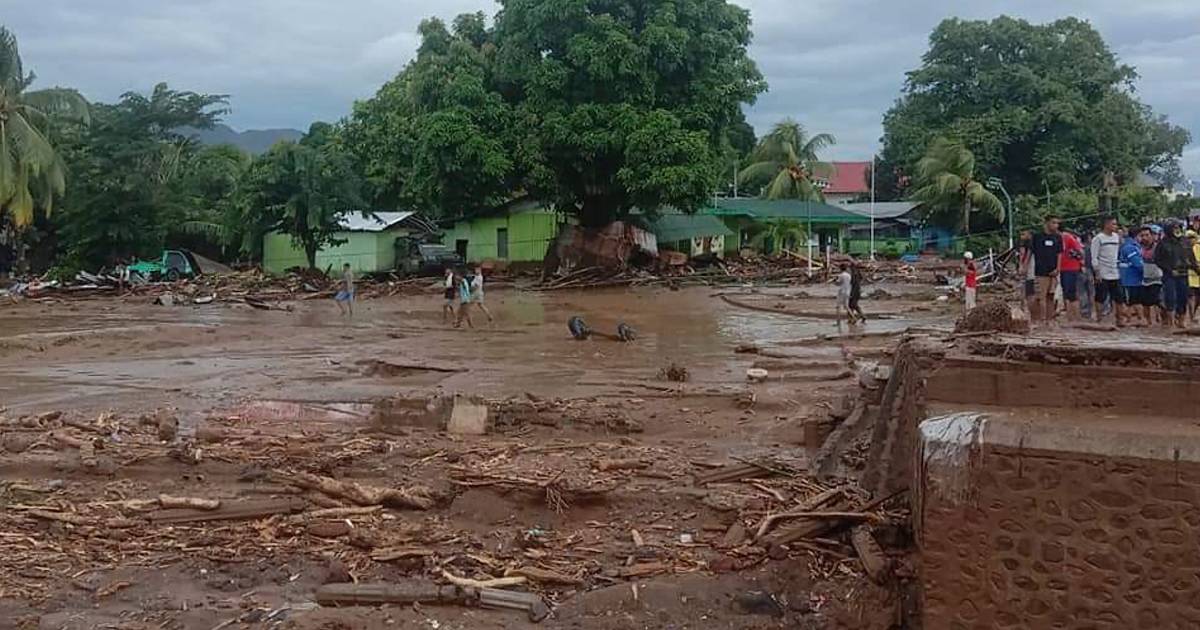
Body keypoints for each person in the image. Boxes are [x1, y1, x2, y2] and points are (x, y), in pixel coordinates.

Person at [1154, 220, 1200, 328]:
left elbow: (1191, 258)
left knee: (1183, 298)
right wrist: (1169, 270)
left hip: (1183, 274)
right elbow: (1158, 260)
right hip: (1169, 275)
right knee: (1170, 297)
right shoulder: (1163, 243)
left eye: (1178, 228)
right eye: (1174, 228)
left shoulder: (1185, 242)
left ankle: (1181, 321)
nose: (1177, 230)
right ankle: (1170, 322)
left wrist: (1197, 270)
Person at [1028, 216, 1063, 323]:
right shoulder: (1037, 237)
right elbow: (1030, 252)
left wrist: (1058, 268)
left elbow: (1059, 254)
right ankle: (1039, 319)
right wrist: (1024, 266)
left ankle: (1049, 319)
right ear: (1047, 223)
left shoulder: (1057, 237)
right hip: (1040, 271)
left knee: (1051, 296)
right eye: (1053, 223)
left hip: (1053, 272)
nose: (1056, 225)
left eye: (1057, 223)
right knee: (1040, 296)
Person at [1090, 216, 1122, 323]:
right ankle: (1099, 318)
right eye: (1113, 224)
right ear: (1106, 224)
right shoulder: (1098, 239)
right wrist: (1097, 272)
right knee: (1101, 297)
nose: (1115, 226)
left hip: (1115, 272)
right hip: (1102, 273)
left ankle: (1119, 318)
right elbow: (1094, 257)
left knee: (1118, 297)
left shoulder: (1116, 237)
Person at [1117, 227, 1145, 327]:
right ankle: (1137, 319)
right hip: (1130, 279)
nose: (1143, 238)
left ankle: (1134, 320)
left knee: (1134, 301)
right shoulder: (1130, 247)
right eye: (1142, 236)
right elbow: (1137, 263)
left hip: (1132, 278)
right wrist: (1146, 272)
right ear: (1137, 236)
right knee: (1133, 301)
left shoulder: (1131, 246)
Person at [1140, 226, 1164, 326]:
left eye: (1147, 235)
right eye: (1142, 235)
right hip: (1145, 280)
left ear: (1152, 236)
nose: (1145, 237)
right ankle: (1148, 323)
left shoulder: (1158, 247)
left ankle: (1162, 321)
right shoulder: (1140, 248)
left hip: (1158, 280)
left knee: (1158, 303)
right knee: (1145, 303)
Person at [1059, 228, 1084, 321]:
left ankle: (1075, 316)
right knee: (1066, 291)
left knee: (1071, 292)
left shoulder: (1068, 238)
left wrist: (1077, 258)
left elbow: (1080, 252)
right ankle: (1070, 315)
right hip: (1062, 267)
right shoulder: (1058, 238)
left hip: (1071, 267)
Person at [835, 263, 853, 327]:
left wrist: (835, 280)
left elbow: (838, 283)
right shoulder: (849, 275)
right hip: (848, 291)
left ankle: (838, 322)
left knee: (838, 307)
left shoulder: (841, 275)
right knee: (846, 306)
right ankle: (854, 318)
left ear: (840, 269)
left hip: (842, 292)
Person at [1188, 229, 1200, 323]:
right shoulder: (1183, 249)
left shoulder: (1198, 247)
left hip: (1198, 277)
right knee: (1191, 297)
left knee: (1197, 298)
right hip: (1188, 276)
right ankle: (1191, 316)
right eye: (1188, 238)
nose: (1190, 240)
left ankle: (1195, 314)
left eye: (1192, 238)